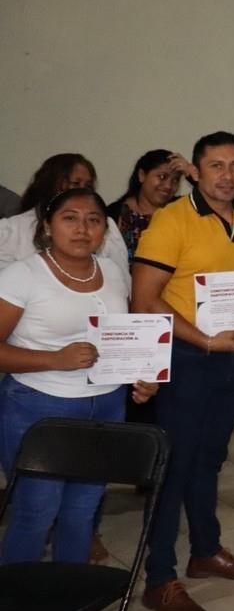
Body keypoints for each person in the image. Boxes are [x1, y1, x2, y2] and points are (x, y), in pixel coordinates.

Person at [132, 132, 234, 611]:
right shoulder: (170, 221)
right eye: (216, 165)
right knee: (174, 469)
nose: (227, 175)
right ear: (199, 171)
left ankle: (205, 550)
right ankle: (159, 578)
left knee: (209, 461)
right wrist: (204, 341)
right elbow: (144, 300)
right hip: (185, 361)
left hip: (231, 362)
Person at [0, 188, 158, 563]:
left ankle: (70, 603)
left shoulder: (115, 272)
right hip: (39, 409)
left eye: (93, 220)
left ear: (105, 229)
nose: (82, 228)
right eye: (69, 218)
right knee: (35, 513)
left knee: (82, 512)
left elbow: (127, 338)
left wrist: (142, 377)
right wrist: (55, 359)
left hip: (106, 407)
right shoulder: (22, 276)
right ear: (47, 227)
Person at [0, 153, 128, 275]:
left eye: (88, 186)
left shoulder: (105, 225)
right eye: (75, 184)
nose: (81, 191)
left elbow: (121, 277)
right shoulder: (11, 229)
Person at [106, 150, 191, 258]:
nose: (168, 186)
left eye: (175, 180)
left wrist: (190, 172)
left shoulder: (182, 209)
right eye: (162, 177)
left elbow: (211, 201)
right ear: (142, 175)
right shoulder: (113, 214)